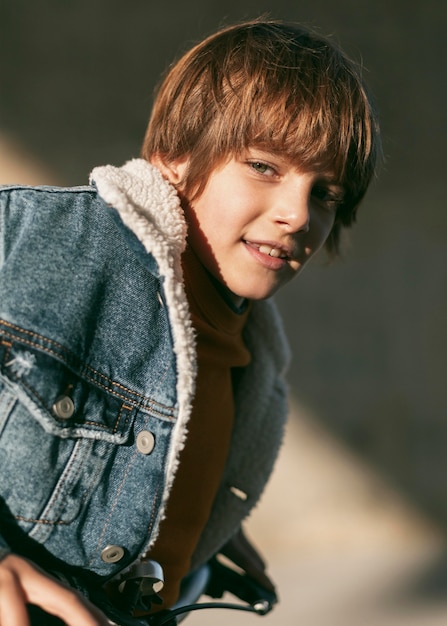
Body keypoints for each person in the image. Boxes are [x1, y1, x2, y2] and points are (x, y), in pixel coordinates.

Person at [0, 18, 380, 626]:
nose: (296, 214)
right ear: (174, 159)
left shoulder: (251, 352)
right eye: (264, 166)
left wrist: (188, 522)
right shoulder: (49, 241)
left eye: (325, 194)